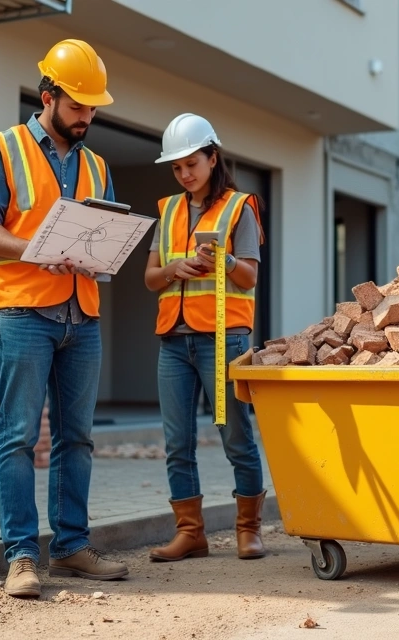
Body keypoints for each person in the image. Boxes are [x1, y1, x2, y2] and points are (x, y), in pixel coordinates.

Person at [0, 38, 131, 598]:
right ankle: (20, 556)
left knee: (76, 439)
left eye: (92, 108)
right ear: (48, 97)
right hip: (23, 313)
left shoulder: (98, 165)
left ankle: (71, 547)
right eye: (78, 107)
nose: (87, 117)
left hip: (81, 316)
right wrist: (31, 248)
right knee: (16, 438)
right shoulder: (4, 148)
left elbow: (102, 234)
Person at [143, 113, 268, 562]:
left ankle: (248, 529)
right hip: (174, 343)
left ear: (213, 158)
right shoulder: (168, 210)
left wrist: (226, 260)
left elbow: (250, 277)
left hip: (224, 340)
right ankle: (190, 533)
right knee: (178, 443)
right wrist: (175, 268)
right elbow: (151, 278)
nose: (184, 174)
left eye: (192, 164)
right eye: (176, 168)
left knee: (236, 437)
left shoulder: (240, 208)